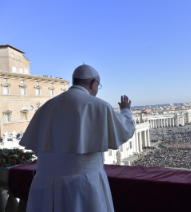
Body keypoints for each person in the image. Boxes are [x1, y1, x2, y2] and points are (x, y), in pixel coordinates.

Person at [20, 64, 135, 212]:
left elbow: (38, 148)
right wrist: (126, 110)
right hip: (83, 184)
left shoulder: (46, 107)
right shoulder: (100, 106)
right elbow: (126, 129)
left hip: (44, 184)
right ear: (94, 83)